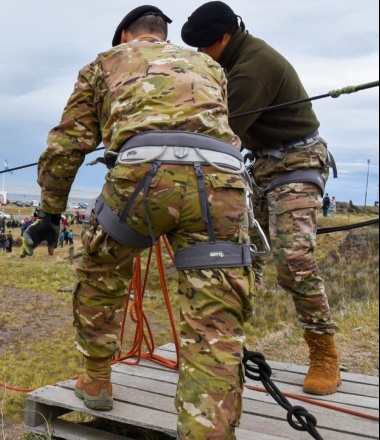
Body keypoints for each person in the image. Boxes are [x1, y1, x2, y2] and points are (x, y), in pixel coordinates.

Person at [24, 6, 252, 439]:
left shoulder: (104, 62)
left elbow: (66, 146)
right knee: (214, 321)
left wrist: (51, 213)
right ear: (162, 35)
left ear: (126, 35)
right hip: (221, 185)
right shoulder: (208, 65)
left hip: (143, 176)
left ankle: (96, 377)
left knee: (100, 268)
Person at [182, 1, 340, 397]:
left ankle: (324, 353)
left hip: (297, 164)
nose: (201, 55)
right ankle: (225, 346)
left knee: (294, 260)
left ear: (223, 38)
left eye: (204, 47)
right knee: (240, 257)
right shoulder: (229, 63)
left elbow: (219, 132)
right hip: (263, 167)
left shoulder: (252, 67)